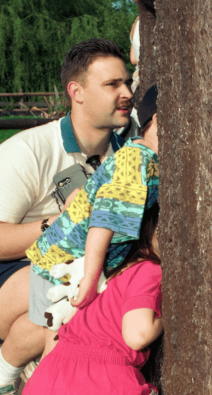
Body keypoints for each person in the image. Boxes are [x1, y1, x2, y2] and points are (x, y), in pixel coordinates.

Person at [0, 39, 134, 395]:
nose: (127, 94)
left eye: (129, 82)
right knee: (73, 282)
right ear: (77, 92)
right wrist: (64, 222)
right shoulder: (26, 152)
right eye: (113, 85)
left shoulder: (131, 142)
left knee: (101, 280)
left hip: (57, 265)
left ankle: (42, 357)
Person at [20, 203, 163, 395]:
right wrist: (166, 315)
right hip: (100, 392)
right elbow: (137, 334)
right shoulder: (150, 272)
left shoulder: (99, 272)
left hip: (45, 389)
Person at [27, 84, 159, 359]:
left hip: (72, 258)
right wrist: (90, 275)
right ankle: (49, 383)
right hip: (63, 260)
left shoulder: (145, 157)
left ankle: (37, 377)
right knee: (61, 335)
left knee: (59, 328)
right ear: (158, 120)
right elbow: (104, 220)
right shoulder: (137, 160)